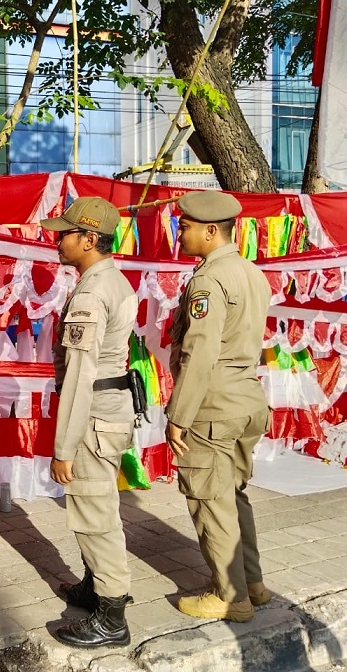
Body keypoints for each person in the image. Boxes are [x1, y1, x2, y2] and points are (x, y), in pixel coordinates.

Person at [165, 190, 272, 623]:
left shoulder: (209, 280)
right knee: (232, 494)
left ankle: (231, 597)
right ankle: (253, 583)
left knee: (210, 499)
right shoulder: (250, 272)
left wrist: (178, 417)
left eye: (186, 226)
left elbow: (200, 353)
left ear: (211, 230)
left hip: (214, 404)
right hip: (246, 397)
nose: (180, 232)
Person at [43, 197, 138, 648]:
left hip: (94, 414)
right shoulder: (112, 280)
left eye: (65, 233)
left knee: (93, 514)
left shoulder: (92, 292)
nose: (57, 239)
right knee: (98, 506)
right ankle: (96, 585)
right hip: (110, 409)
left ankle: (112, 615)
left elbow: (80, 374)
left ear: (89, 238)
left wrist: (64, 447)